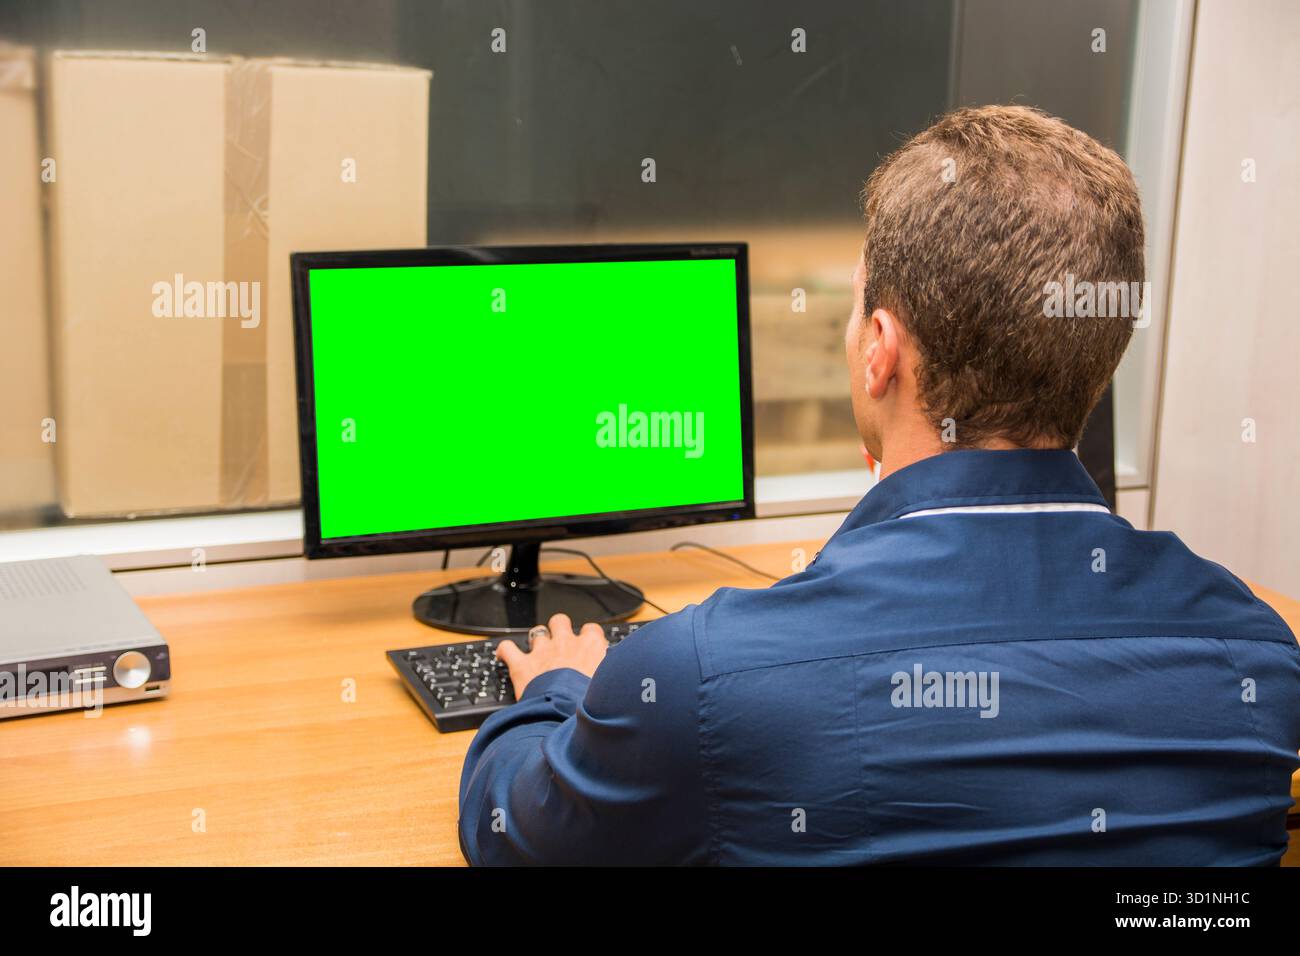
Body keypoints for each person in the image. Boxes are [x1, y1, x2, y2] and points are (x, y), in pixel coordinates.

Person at [458, 105, 1300, 865]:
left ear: (880, 352)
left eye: (859, 308)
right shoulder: (1257, 659)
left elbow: (515, 834)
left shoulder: (703, 680)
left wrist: (559, 688)